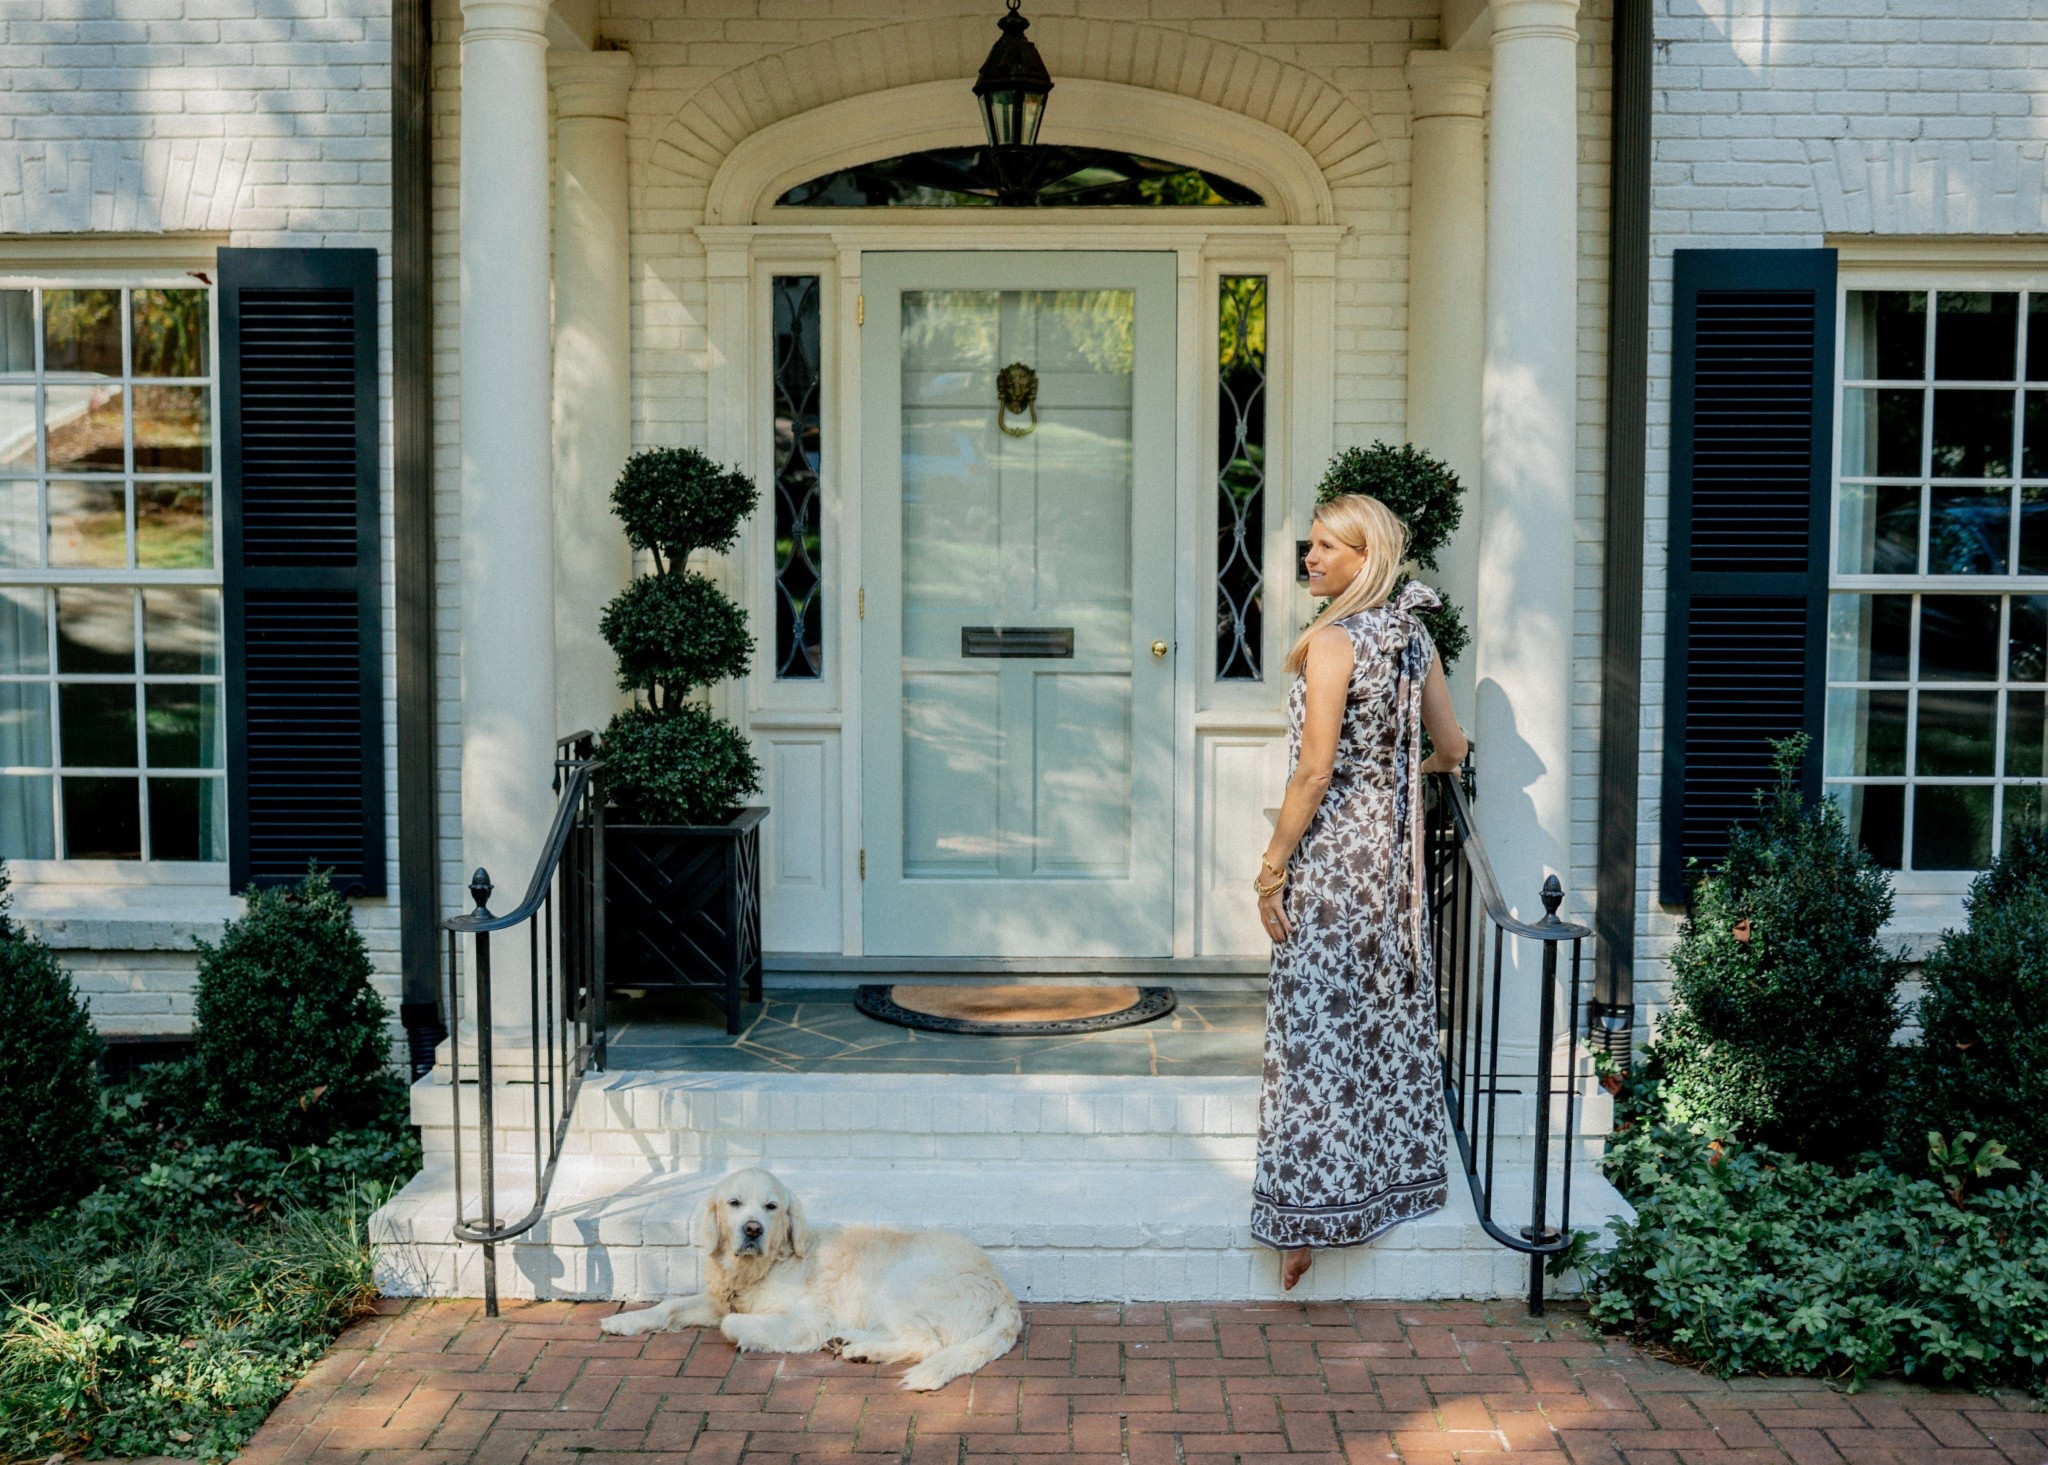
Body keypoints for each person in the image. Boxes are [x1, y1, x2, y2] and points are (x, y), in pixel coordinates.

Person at [1250, 493, 1468, 1292]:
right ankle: (1387, 1189)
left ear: (1364, 557)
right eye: (1308, 546)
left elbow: (1312, 770)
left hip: (1334, 862)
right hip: (1391, 863)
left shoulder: (1336, 641)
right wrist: (1401, 776)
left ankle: (1305, 1221)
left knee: (1313, 1035)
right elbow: (1450, 746)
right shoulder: (1414, 634)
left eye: (1327, 549)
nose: (1310, 558)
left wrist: (1271, 867)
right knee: (1375, 1025)